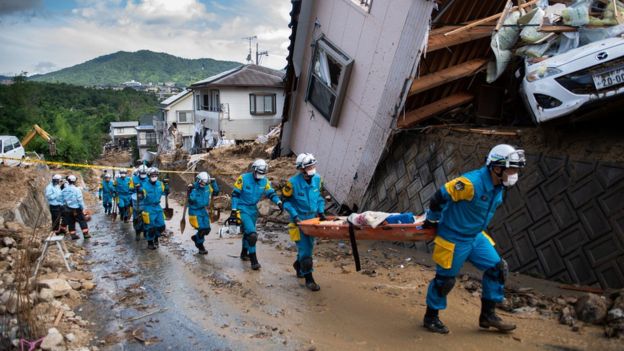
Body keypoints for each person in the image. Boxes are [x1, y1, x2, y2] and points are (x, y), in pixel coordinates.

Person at [422, 144, 526, 334]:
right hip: (453, 237)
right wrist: (432, 218)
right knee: (444, 281)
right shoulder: (470, 183)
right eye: (512, 169)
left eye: (516, 169)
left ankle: (488, 316)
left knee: (498, 268)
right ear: (496, 167)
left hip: (475, 237)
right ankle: (431, 317)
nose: (514, 173)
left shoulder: (498, 186)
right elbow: (440, 196)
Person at [227, 159, 282, 270]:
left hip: (253, 209)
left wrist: (279, 202)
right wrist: (233, 210)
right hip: (242, 208)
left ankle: (243, 253)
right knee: (252, 234)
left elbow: (270, 193)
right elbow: (235, 195)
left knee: (247, 233)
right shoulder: (243, 178)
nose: (261, 175)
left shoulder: (265, 181)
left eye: (263, 173)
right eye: (259, 173)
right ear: (254, 170)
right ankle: (254, 260)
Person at [282, 153, 325, 291]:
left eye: (313, 165)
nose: (312, 168)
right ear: (301, 169)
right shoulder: (292, 183)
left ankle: (298, 265)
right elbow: (286, 202)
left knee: (309, 247)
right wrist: (294, 216)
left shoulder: (318, 180)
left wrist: (321, 211)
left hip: (313, 220)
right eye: (309, 166)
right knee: (306, 251)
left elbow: (319, 198)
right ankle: (309, 279)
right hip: (298, 222)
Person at [187, 172, 220, 255]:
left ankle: (196, 238)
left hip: (203, 210)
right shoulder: (194, 188)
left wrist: (214, 182)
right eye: (202, 182)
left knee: (207, 230)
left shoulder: (207, 187)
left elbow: (216, 192)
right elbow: (191, 200)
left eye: (205, 182)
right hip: (194, 211)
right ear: (198, 180)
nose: (203, 184)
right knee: (201, 229)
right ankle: (200, 245)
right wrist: (191, 191)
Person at [140, 167, 169, 250]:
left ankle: (156, 237)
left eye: (156, 175)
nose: (154, 177)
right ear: (149, 176)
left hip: (157, 207)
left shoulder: (160, 184)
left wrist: (166, 187)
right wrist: (140, 192)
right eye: (152, 175)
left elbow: (165, 192)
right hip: (148, 207)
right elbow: (142, 195)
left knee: (161, 226)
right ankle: (150, 242)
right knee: (151, 227)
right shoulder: (144, 185)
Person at [62, 174, 90, 240]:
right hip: (77, 209)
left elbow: (62, 200)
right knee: (82, 221)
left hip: (68, 209)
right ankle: (86, 234)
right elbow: (80, 200)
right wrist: (83, 208)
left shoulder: (64, 190)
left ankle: (73, 235)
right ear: (74, 181)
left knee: (71, 222)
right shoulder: (77, 190)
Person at [131, 165, 149, 240]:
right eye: (142, 173)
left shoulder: (149, 179)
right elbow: (130, 189)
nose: (143, 174)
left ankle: (145, 232)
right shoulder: (134, 179)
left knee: (146, 217)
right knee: (136, 218)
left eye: (144, 173)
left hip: (146, 202)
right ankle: (137, 232)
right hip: (136, 202)